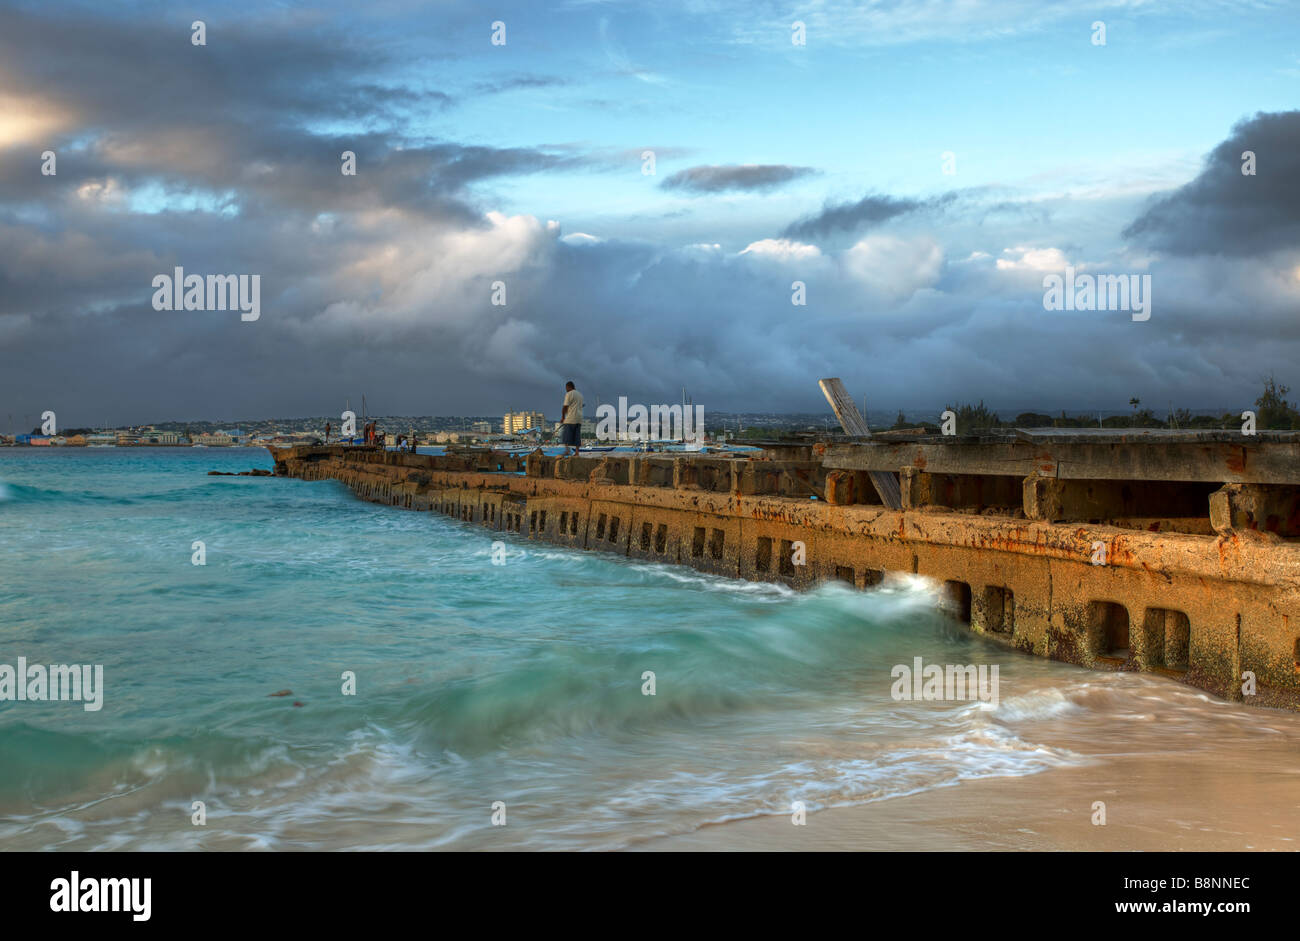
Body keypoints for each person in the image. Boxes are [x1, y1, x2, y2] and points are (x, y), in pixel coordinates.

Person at [559, 380, 583, 457]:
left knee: (565, 435)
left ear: (569, 387)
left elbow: (565, 406)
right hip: (579, 419)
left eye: (566, 387)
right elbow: (579, 406)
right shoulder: (580, 395)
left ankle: (567, 451)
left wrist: (563, 417)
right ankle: (577, 453)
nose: (566, 389)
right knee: (577, 436)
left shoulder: (569, 394)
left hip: (570, 418)